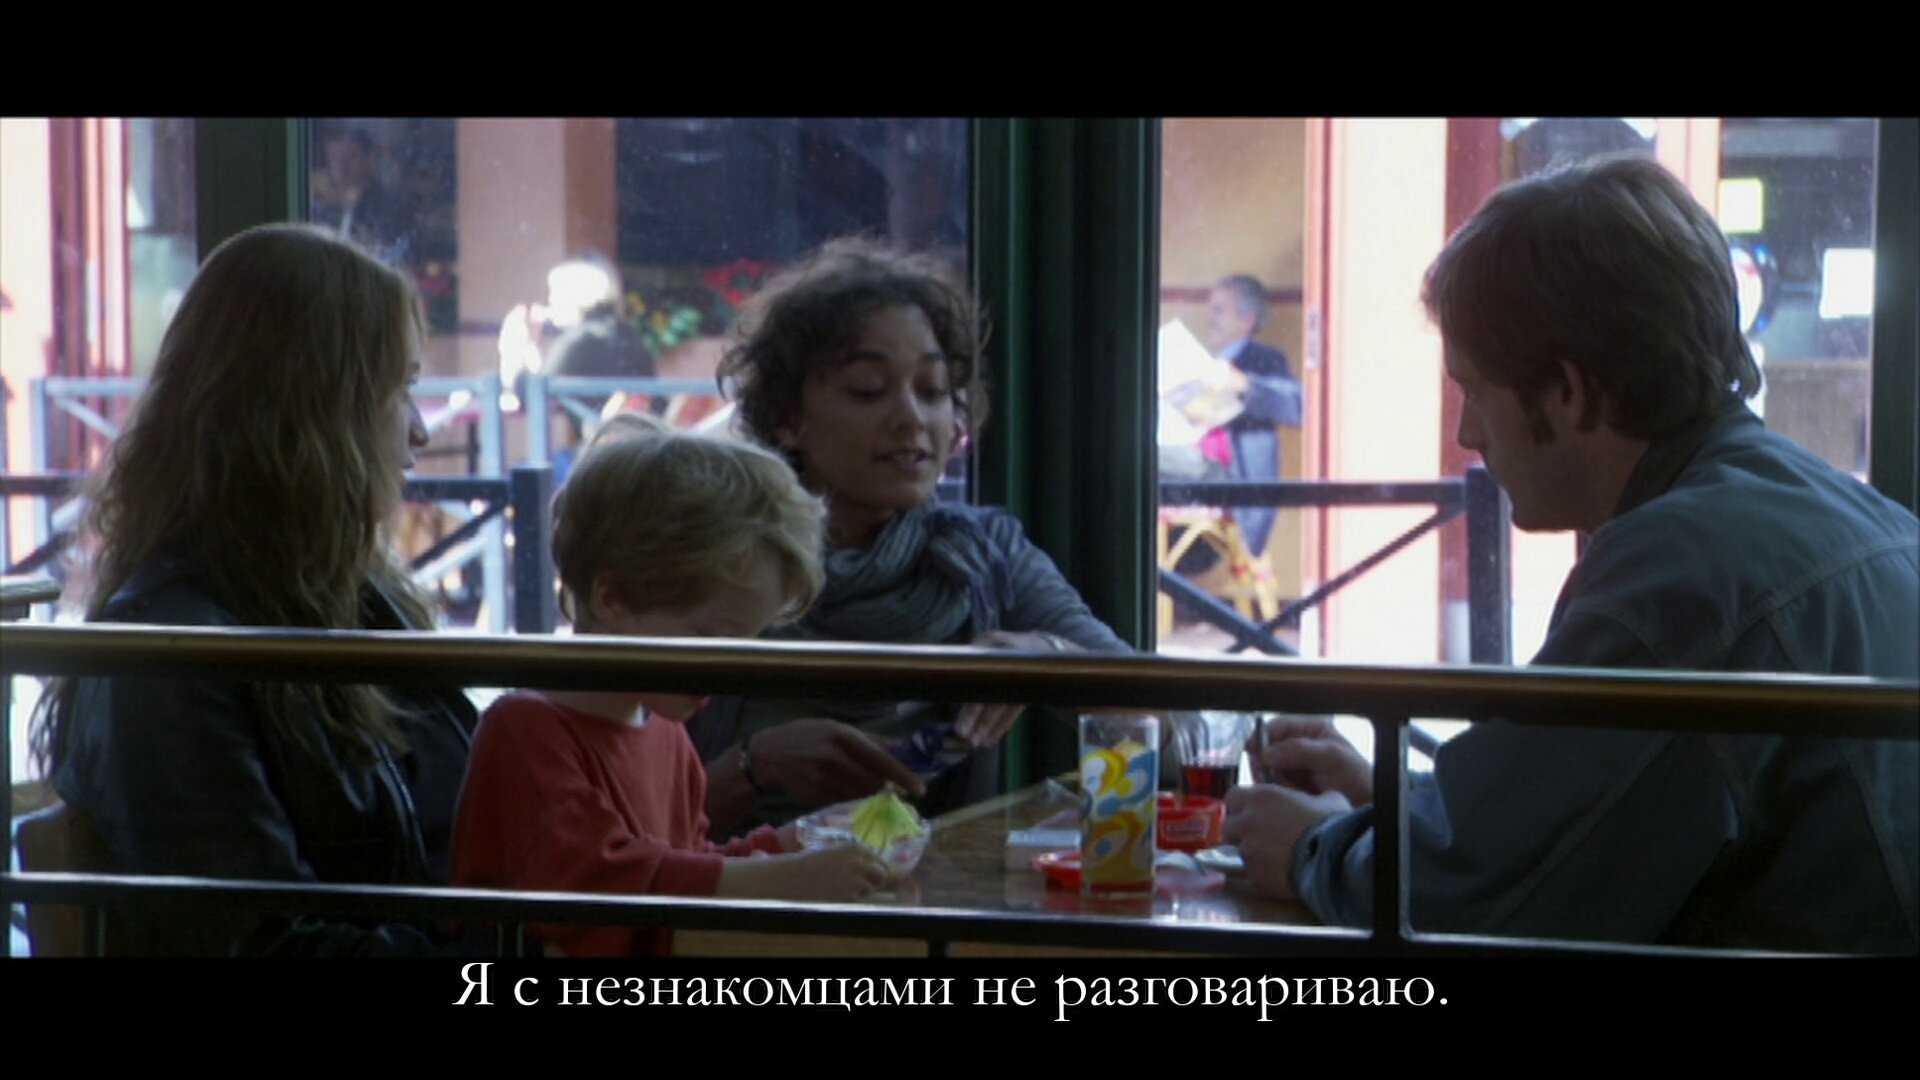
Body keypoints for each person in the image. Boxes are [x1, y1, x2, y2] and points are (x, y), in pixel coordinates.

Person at [1222, 155, 1919, 953]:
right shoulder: (1843, 511)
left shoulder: (1681, 571)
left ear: (1568, 392)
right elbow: (1577, 824)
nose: (1467, 434)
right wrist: (1389, 801)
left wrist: (1312, 851)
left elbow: (1477, 903)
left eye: (1475, 391)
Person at [32, 224, 480, 956]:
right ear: (314, 412)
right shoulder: (169, 653)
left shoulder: (353, 596)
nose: (421, 432)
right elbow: (262, 947)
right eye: (400, 389)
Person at [689, 238, 1132, 832]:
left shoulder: (986, 555)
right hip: (739, 889)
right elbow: (625, 821)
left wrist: (1049, 657)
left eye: (933, 391)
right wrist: (754, 767)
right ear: (788, 418)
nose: (912, 418)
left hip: (939, 889)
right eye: (868, 390)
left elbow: (1171, 729)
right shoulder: (718, 561)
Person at [451, 430, 889, 957]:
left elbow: (686, 869)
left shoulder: (667, 733)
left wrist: (793, 841)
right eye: (709, 638)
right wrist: (786, 878)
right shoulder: (525, 730)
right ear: (613, 598)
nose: (730, 672)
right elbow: (597, 892)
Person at [1202, 274, 1302, 558]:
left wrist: (1246, 385)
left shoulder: (1265, 360)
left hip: (1238, 486)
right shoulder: (1207, 362)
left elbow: (1297, 407)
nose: (1210, 319)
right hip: (1197, 488)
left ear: (1246, 320)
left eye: (1219, 310)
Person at [314, 127, 416, 265]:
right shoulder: (323, 210)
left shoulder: (390, 208)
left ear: (370, 158)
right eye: (334, 158)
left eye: (351, 157)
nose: (341, 166)